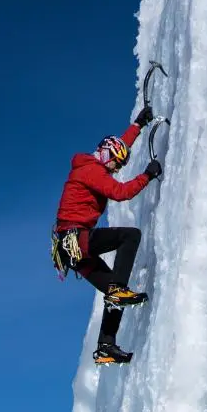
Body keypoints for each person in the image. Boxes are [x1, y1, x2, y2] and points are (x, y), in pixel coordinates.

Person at [52, 116, 165, 365]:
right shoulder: (92, 169)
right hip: (76, 239)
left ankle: (106, 346)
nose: (117, 168)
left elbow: (120, 146)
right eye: (116, 163)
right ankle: (115, 295)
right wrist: (147, 175)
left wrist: (137, 125)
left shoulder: (94, 165)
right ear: (105, 156)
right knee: (130, 236)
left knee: (115, 289)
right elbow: (120, 193)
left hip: (72, 249)